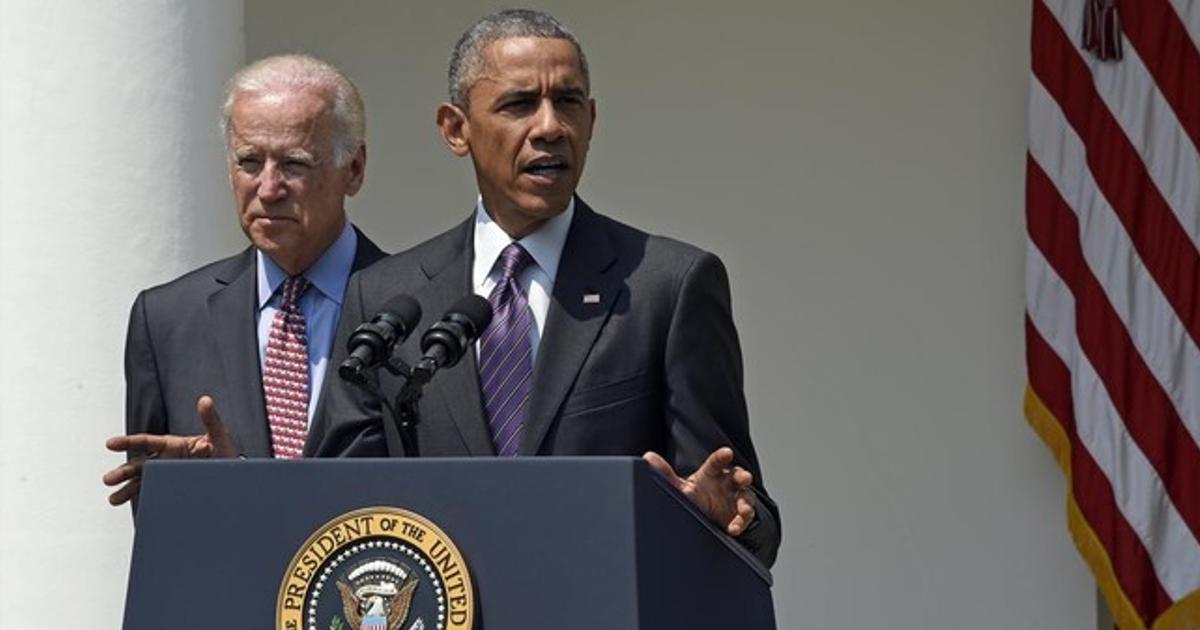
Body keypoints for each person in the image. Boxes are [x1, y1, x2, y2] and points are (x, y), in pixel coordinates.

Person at [313, 10, 780, 566]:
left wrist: (727, 515)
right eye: (519, 105)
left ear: (592, 119)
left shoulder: (667, 284)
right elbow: (336, 504)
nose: (550, 127)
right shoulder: (386, 296)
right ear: (455, 129)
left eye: (568, 102)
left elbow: (749, 511)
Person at [103, 54, 386, 506]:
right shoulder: (167, 321)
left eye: (294, 164)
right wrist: (228, 482)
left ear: (353, 170)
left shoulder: (416, 305)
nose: (268, 188)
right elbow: (158, 520)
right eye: (250, 162)